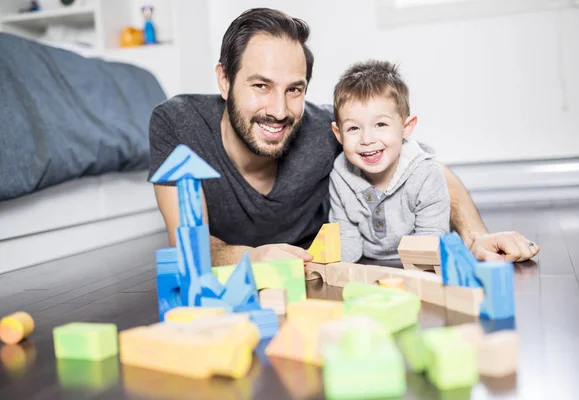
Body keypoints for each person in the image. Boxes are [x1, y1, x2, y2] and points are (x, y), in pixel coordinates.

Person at [148, 8, 539, 266]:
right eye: (261, 85)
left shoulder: (324, 130)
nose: (280, 110)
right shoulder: (178, 125)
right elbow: (189, 246)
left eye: (294, 89)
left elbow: (421, 168)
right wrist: (252, 258)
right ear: (224, 79)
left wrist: (475, 237)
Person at [329, 60, 449, 262]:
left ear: (406, 127)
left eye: (380, 124)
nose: (367, 139)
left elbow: (431, 238)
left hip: (421, 265)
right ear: (338, 134)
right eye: (353, 128)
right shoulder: (340, 177)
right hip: (369, 267)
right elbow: (346, 240)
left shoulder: (426, 175)